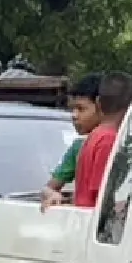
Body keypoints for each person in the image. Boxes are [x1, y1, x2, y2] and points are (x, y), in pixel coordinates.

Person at [70, 72, 132, 209]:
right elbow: (102, 193)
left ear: (98, 103)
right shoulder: (109, 140)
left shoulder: (95, 135)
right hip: (95, 219)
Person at [42, 73, 103, 208]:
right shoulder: (78, 147)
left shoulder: (120, 142)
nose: (74, 115)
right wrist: (52, 195)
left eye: (81, 109)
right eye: (73, 109)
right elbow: (49, 187)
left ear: (101, 107)